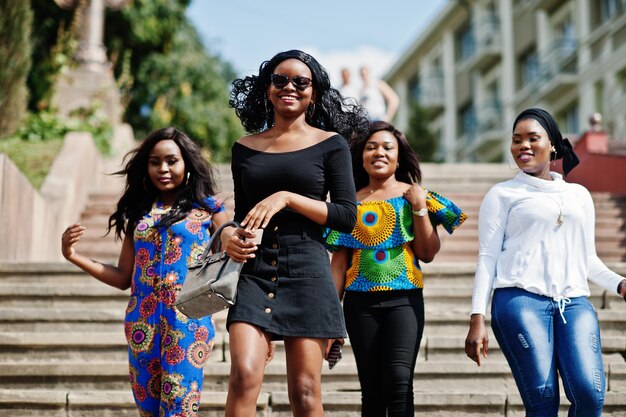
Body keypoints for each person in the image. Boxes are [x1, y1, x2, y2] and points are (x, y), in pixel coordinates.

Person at [222, 49, 369, 417]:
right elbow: (243, 216)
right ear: (267, 89)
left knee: (304, 393)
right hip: (254, 273)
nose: (290, 86)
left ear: (313, 93)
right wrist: (230, 235)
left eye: (301, 82)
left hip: (308, 271)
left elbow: (346, 216)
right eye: (280, 79)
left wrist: (288, 198)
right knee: (242, 375)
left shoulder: (331, 143)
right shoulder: (244, 148)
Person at [465, 108, 626, 417]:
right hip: (519, 300)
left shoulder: (578, 194)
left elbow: (587, 259)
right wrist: (477, 316)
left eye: (532, 138)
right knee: (543, 400)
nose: (523, 145)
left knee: (590, 395)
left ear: (552, 144)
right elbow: (488, 256)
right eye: (516, 140)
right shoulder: (503, 194)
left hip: (574, 303)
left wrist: (619, 283)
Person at [61, 127, 229, 417]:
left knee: (179, 409)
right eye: (154, 161)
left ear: (187, 164)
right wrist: (72, 255)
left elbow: (230, 256)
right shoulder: (139, 214)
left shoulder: (209, 209)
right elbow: (123, 277)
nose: (163, 168)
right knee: (147, 411)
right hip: (142, 327)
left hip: (187, 326)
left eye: (171, 161)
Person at [326, 121, 466, 417]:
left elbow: (428, 254)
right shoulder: (348, 203)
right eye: (371, 147)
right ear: (361, 157)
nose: (379, 152)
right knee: (371, 391)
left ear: (399, 157)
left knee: (400, 384)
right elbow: (338, 263)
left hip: (405, 301)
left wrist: (419, 207)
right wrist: (330, 316)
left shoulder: (416, 196)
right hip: (359, 304)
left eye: (388, 147)